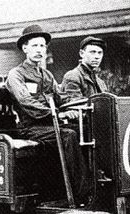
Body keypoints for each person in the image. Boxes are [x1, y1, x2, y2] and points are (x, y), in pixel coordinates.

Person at [6, 24, 89, 203]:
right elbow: (26, 102)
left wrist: (76, 108)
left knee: (86, 130)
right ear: (25, 48)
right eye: (35, 45)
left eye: (42, 46)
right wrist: (57, 114)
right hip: (30, 128)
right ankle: (82, 194)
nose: (39, 50)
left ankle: (95, 182)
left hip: (50, 125)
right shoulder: (16, 75)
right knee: (69, 135)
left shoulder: (47, 75)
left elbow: (61, 98)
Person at [62, 36, 108, 102]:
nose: (97, 57)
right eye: (92, 52)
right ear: (82, 53)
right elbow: (74, 104)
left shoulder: (100, 82)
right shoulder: (73, 76)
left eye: (100, 53)